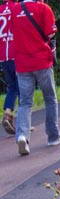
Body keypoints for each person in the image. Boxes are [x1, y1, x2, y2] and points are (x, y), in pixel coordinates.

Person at [10, 0, 60, 156]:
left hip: (22, 63)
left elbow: (15, 32)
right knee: (50, 98)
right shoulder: (43, 8)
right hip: (42, 61)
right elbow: (50, 33)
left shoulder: (15, 9)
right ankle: (53, 136)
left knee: (25, 102)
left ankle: (22, 136)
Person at [0, 0, 18, 135]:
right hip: (16, 53)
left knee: (12, 86)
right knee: (24, 88)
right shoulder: (17, 8)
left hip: (3, 55)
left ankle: (7, 114)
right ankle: (24, 123)